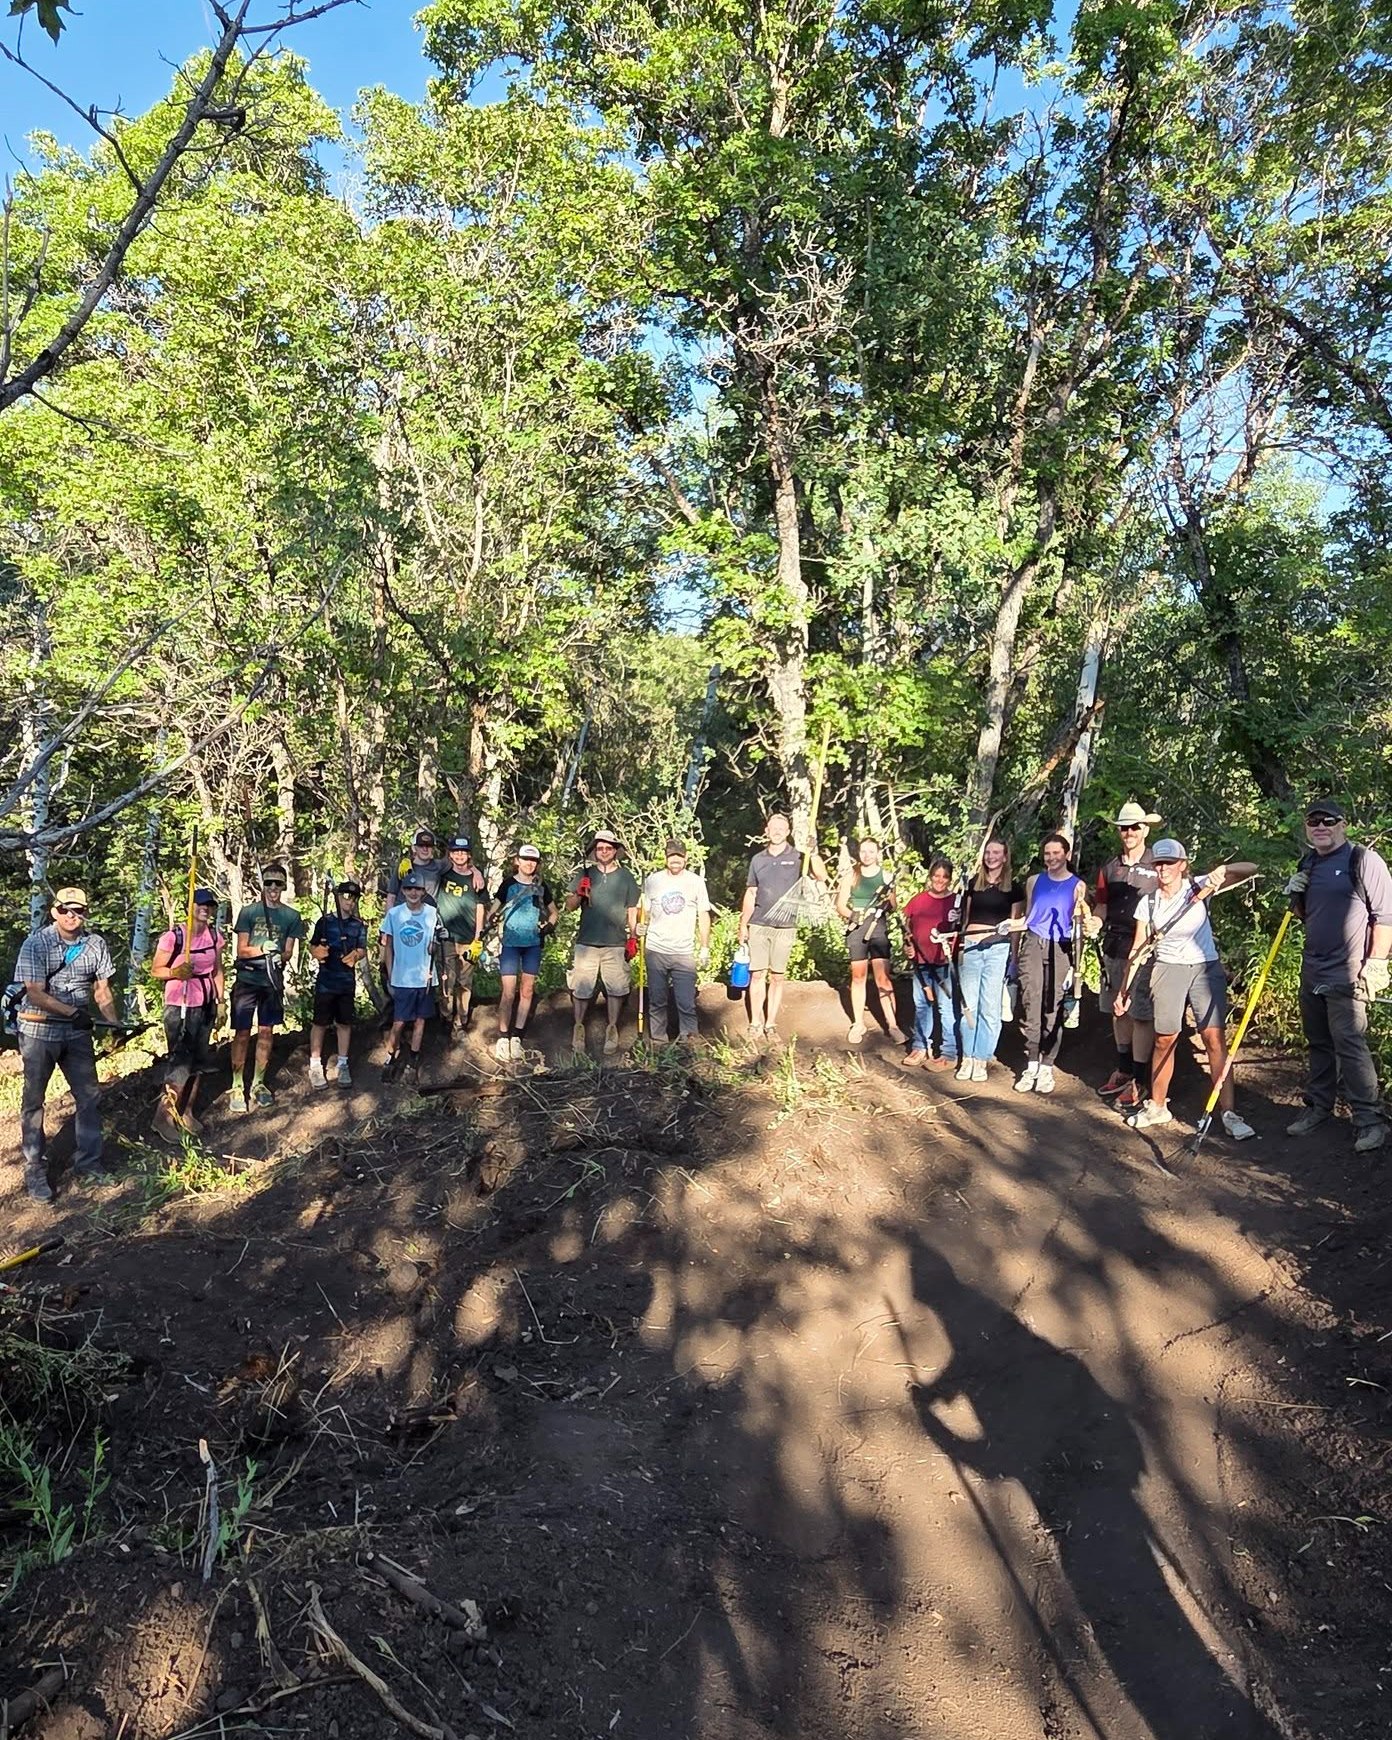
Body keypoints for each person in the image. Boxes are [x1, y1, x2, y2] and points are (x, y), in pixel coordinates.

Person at [1114, 840, 1258, 1137]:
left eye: (1169, 862)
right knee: (1165, 1038)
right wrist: (1123, 991)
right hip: (1167, 969)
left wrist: (1223, 870)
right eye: (1159, 863)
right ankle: (1157, 1105)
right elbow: (1138, 949)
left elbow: (1251, 869)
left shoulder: (1199, 887)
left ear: (1183, 864)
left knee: (1214, 1039)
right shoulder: (1149, 903)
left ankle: (1229, 1112)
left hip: (1205, 968)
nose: (1163, 868)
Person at [1285, 798, 1392, 1153]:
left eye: (1328, 821)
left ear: (1342, 824)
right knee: (1318, 1041)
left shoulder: (1362, 860)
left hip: (1347, 971)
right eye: (1313, 821)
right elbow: (1306, 915)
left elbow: (1386, 917)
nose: (1320, 827)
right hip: (1312, 967)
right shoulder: (1309, 862)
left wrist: (1376, 963)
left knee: (1350, 1042)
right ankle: (1319, 1107)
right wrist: (1296, 892)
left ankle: (1369, 1120)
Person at [13, 886, 120, 1201]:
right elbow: (34, 992)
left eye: (79, 911)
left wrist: (113, 1024)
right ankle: (34, 1167)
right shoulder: (37, 944)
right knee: (34, 1099)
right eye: (66, 910)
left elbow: (102, 990)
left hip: (77, 1033)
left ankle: (89, 1162)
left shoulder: (95, 944)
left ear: (86, 913)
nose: (72, 916)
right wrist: (72, 1012)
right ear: (54, 911)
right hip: (38, 1031)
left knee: (89, 1097)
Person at [1089, 802, 1160, 1111]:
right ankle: (1124, 1068)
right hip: (1114, 947)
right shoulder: (1109, 867)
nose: (1129, 832)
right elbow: (1102, 906)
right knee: (1118, 1011)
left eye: (1134, 827)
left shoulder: (1159, 863)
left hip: (1145, 950)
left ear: (1145, 829)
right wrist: (1094, 920)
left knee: (1141, 1013)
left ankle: (1140, 1079)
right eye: (1124, 827)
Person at [737, 813, 828, 1044]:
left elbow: (821, 875)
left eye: (781, 828)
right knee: (757, 975)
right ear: (766, 830)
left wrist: (813, 851)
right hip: (759, 923)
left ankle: (770, 1024)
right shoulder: (758, 860)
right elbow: (751, 892)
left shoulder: (799, 858)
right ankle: (755, 1023)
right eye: (773, 827)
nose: (776, 831)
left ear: (787, 831)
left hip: (786, 926)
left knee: (777, 976)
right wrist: (743, 924)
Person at [1013, 833, 1088, 1095]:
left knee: (1053, 1005)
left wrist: (1076, 964)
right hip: (1034, 943)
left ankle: (1047, 1065)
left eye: (1057, 853)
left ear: (1067, 854)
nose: (1052, 858)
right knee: (1031, 1002)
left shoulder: (1078, 885)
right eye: (1047, 853)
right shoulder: (1034, 881)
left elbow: (1080, 923)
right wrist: (1010, 926)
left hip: (1061, 948)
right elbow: (1029, 917)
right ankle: (1031, 1062)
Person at [229, 864, 304, 1111]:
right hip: (247, 980)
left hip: (271, 982)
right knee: (241, 1033)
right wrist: (262, 949)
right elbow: (241, 950)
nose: (273, 888)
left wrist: (278, 956)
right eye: (268, 883)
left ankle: (258, 1083)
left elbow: (289, 952)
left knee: (266, 1032)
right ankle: (237, 1084)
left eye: (277, 884)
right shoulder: (249, 912)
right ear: (263, 885)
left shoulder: (291, 917)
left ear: (283, 886)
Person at [152, 889, 225, 1141]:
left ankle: (187, 1111)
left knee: (200, 1060)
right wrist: (175, 972)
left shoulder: (215, 936)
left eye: (209, 905)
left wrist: (221, 1000)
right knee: (180, 1061)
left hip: (206, 1001)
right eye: (201, 904)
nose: (205, 908)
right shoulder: (174, 937)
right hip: (180, 1003)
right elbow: (156, 970)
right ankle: (164, 1116)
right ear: (191, 906)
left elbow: (217, 969)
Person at [952, 840, 1023, 1082]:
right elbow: (965, 917)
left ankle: (982, 1057)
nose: (991, 856)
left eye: (996, 853)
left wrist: (1013, 957)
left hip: (997, 949)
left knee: (990, 1007)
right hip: (972, 946)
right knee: (969, 1005)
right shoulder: (974, 883)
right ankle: (968, 1057)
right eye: (988, 852)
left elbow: (1015, 925)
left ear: (1005, 857)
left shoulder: (1013, 887)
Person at [566, 829, 640, 1054]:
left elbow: (632, 908)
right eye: (600, 848)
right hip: (587, 942)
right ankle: (578, 1028)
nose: (604, 851)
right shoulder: (585, 873)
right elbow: (569, 906)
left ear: (615, 850)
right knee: (581, 987)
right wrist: (580, 892)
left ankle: (612, 1028)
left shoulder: (626, 877)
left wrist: (634, 936)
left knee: (616, 988)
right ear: (594, 851)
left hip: (615, 942)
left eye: (608, 848)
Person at [640, 839, 712, 1045]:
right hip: (655, 949)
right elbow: (643, 910)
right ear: (666, 857)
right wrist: (639, 926)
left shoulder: (695, 882)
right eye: (672, 856)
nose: (675, 860)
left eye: (679, 857)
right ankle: (658, 1041)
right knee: (657, 1000)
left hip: (683, 951)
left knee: (686, 1001)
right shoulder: (653, 881)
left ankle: (689, 1040)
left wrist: (705, 947)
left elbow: (703, 915)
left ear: (686, 858)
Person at [836, 838, 906, 1046]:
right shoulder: (851, 876)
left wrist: (887, 902)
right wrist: (853, 916)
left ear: (877, 853)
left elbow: (893, 906)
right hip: (857, 930)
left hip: (878, 930)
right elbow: (840, 905)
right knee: (858, 977)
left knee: (883, 979)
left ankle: (893, 1025)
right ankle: (858, 1023)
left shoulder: (886, 876)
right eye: (863, 851)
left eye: (871, 851)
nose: (867, 855)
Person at [492, 845, 558, 1063]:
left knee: (527, 990)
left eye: (533, 860)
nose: (530, 863)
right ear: (517, 861)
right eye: (525, 859)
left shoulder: (541, 886)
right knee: (509, 992)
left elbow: (554, 911)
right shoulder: (508, 884)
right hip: (511, 944)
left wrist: (549, 925)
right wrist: (489, 920)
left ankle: (517, 1036)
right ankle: (503, 1036)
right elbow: (495, 907)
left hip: (533, 944)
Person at [379, 872, 441, 1085]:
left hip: (424, 977)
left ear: (423, 892)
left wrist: (435, 949)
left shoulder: (432, 913)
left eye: (418, 889)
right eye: (409, 889)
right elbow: (388, 946)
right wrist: (390, 972)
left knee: (420, 1020)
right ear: (403, 892)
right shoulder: (394, 915)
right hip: (402, 978)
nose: (413, 893)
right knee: (398, 1021)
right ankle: (390, 1056)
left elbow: (437, 940)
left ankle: (413, 1060)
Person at [307, 881, 368, 1087]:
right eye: (345, 897)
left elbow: (362, 948)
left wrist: (355, 956)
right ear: (339, 898)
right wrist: (317, 952)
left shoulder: (358, 925)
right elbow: (312, 944)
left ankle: (343, 1064)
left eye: (353, 899)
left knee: (344, 1022)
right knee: (320, 1022)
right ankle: (315, 1065)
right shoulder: (324, 922)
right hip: (326, 980)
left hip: (346, 982)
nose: (349, 902)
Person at [901, 855, 958, 1070]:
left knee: (945, 1006)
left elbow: (958, 929)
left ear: (949, 879)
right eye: (936, 876)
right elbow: (907, 928)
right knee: (922, 1003)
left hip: (943, 961)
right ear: (930, 876)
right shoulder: (918, 900)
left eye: (944, 877)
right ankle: (920, 1046)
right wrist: (907, 947)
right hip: (921, 961)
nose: (940, 880)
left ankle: (949, 1052)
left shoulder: (955, 902)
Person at [436, 836, 489, 1040]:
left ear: (469, 855)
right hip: (447, 937)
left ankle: (460, 1022)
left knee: (465, 982)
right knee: (446, 981)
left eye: (463, 852)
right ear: (450, 853)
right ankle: (446, 1017)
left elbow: (480, 907)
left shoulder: (476, 879)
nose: (459, 855)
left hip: (468, 938)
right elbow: (425, 867)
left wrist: (478, 938)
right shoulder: (443, 873)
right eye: (456, 851)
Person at [385, 828, 449, 907]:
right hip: (402, 915)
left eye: (428, 846)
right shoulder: (404, 866)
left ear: (433, 849)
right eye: (421, 845)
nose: (425, 849)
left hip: (426, 915)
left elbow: (459, 862)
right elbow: (391, 895)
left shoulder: (440, 865)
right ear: (415, 848)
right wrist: (389, 917)